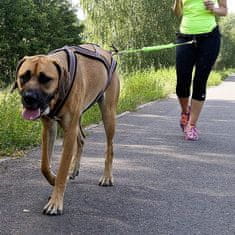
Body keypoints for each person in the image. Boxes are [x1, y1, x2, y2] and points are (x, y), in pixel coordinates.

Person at [172, 0, 227, 140]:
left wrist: (213, 8)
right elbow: (177, 12)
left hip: (209, 37)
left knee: (200, 81)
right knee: (182, 83)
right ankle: (185, 112)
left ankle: (191, 125)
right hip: (185, 36)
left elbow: (224, 10)